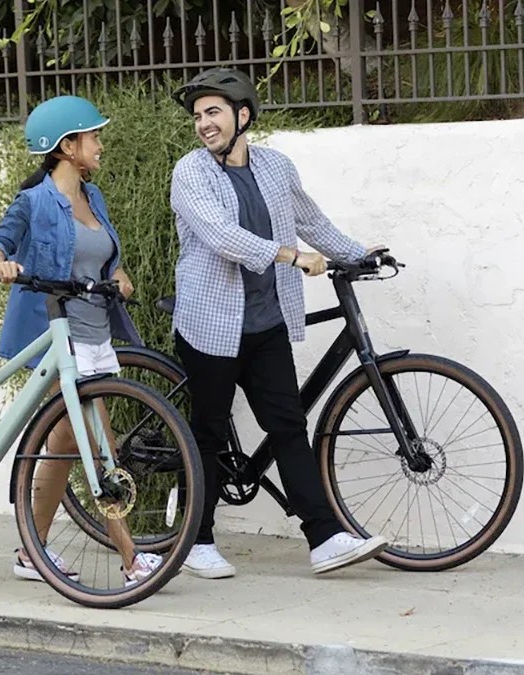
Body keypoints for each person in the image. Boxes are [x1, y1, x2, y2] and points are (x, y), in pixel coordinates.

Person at [167, 67, 390, 579]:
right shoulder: (192, 173)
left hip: (265, 322)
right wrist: (290, 255)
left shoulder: (275, 166)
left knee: (288, 426)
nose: (203, 123)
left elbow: (310, 220)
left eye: (214, 112)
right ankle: (195, 542)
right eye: (199, 115)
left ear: (243, 115)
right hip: (210, 322)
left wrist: (357, 253)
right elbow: (222, 236)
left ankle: (325, 538)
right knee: (208, 432)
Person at [0, 95, 161, 587]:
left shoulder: (92, 197)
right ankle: (131, 561)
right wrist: (0, 263)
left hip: (96, 335)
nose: (100, 144)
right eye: (93, 137)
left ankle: (29, 553)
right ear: (66, 146)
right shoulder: (34, 201)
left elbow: (103, 255)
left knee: (61, 448)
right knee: (100, 449)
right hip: (57, 339)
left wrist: (118, 273)